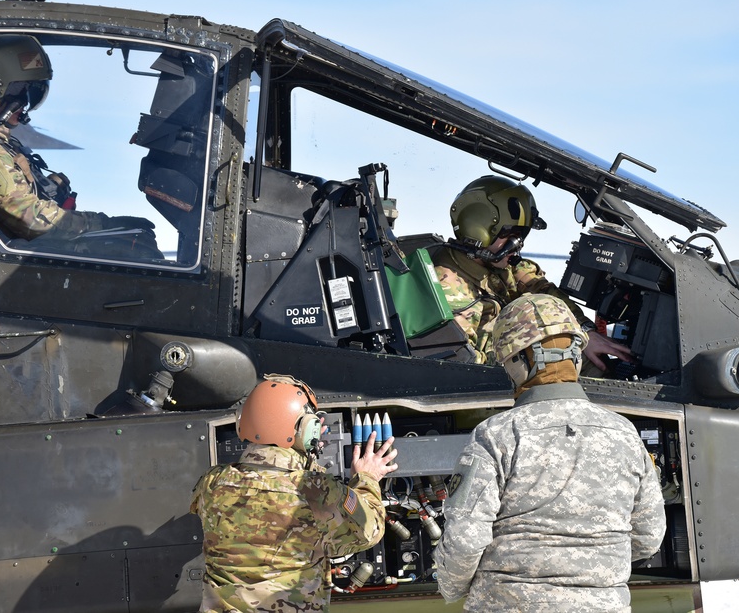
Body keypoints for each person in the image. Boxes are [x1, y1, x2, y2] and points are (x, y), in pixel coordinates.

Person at [433, 294, 666, 612]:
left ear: (517, 362)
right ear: (576, 355)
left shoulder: (497, 436)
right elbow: (649, 536)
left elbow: (465, 542)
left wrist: (450, 588)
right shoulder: (625, 435)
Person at [0, 34, 160, 256]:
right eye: (19, 91)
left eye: (29, 93)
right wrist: (102, 224)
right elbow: (29, 218)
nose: (25, 103)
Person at [189, 374, 398, 612]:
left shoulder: (213, 483)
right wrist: (367, 478)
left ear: (242, 422)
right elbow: (370, 531)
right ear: (307, 429)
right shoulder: (317, 491)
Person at [431, 175, 632, 372]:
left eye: (520, 235)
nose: (517, 244)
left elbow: (545, 292)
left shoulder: (501, 265)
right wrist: (542, 349)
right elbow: (463, 368)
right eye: (509, 235)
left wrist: (585, 332)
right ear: (478, 230)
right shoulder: (449, 288)